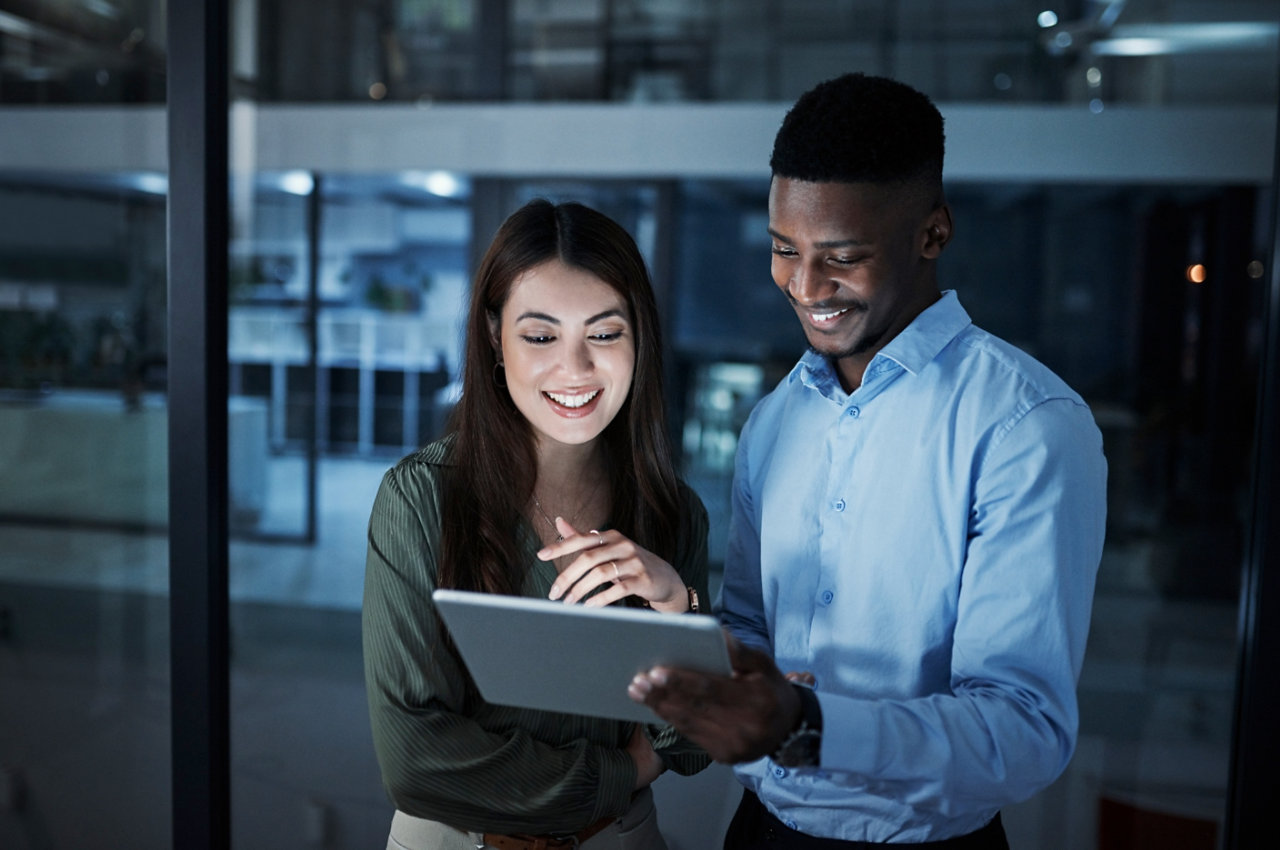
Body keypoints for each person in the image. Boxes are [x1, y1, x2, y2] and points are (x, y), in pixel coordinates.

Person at [629, 72, 1108, 847]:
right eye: (786, 250)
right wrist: (679, 618)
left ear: (932, 233)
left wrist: (809, 727)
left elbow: (1024, 732)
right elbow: (752, 639)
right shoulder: (775, 421)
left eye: (842, 256)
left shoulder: (1027, 426)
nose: (805, 285)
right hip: (759, 830)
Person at [363, 199, 711, 850]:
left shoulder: (671, 511)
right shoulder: (421, 500)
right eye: (541, 335)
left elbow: (691, 748)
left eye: (604, 334)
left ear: (639, 340)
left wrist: (677, 608)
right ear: (495, 338)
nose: (575, 370)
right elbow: (415, 761)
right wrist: (624, 769)